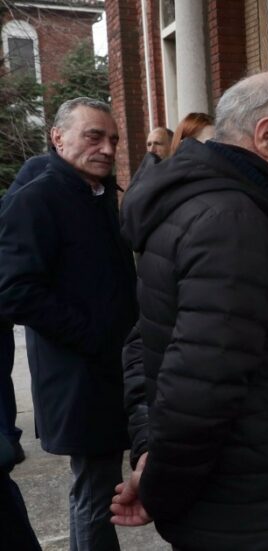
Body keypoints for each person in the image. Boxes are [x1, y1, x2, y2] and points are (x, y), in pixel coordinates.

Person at [112, 72, 268, 551]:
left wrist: (150, 455)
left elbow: (148, 345)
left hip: (238, 505)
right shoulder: (233, 222)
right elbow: (197, 393)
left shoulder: (203, 205)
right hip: (249, 516)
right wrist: (160, 490)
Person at [0, 97, 138, 551]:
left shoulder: (99, 196)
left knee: (104, 486)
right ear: (58, 137)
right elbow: (15, 290)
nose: (107, 148)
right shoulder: (36, 199)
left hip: (113, 367)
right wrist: (94, 336)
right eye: (93, 136)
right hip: (78, 375)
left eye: (113, 139)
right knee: (95, 492)